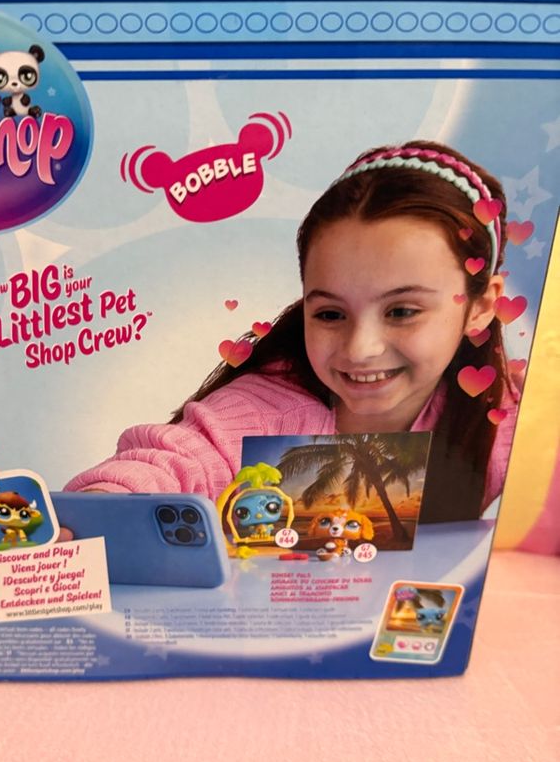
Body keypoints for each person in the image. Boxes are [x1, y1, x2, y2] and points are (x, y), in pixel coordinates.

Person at [66, 140, 520, 522]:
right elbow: (178, 462)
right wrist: (103, 508)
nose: (360, 348)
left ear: (481, 306)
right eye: (330, 314)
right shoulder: (264, 413)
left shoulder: (512, 413)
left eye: (402, 311)